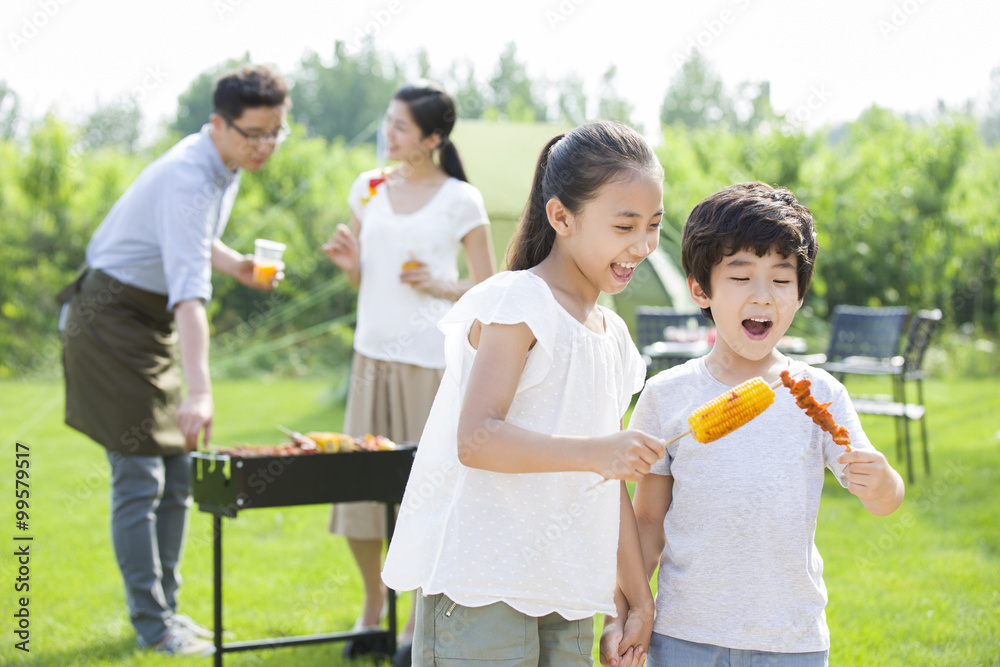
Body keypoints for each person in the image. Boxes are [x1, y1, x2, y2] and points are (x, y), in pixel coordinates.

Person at [381, 120, 667, 666]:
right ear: (561, 216)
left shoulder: (615, 339)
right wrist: (599, 453)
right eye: (625, 225)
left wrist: (636, 597)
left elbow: (611, 485)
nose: (643, 245)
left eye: (653, 225)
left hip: (568, 590)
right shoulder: (518, 301)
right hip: (482, 586)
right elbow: (478, 439)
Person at [613, 182, 906, 666]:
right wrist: (627, 610)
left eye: (781, 279)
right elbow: (647, 520)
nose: (763, 296)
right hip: (685, 634)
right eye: (742, 276)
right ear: (700, 289)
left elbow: (884, 501)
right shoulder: (667, 395)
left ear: (799, 293)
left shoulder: (820, 394)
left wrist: (881, 482)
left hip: (790, 639)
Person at [59, 64, 290, 656]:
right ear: (219, 123)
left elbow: (184, 240)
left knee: (179, 473)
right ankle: (153, 626)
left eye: (276, 133)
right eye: (254, 133)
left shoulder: (224, 163)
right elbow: (189, 297)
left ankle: (170, 614)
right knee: (140, 474)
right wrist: (200, 390)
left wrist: (236, 262)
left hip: (148, 317)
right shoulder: (191, 176)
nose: (265, 146)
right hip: (109, 322)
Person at [321, 82, 496, 659]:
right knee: (358, 494)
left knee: (424, 495)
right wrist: (352, 266)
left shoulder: (460, 199)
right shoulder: (367, 187)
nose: (387, 133)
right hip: (371, 356)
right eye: (388, 122)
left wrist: (439, 284)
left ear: (432, 139)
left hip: (429, 363)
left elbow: (487, 288)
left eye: (400, 126)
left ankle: (415, 618)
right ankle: (373, 606)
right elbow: (363, 280)